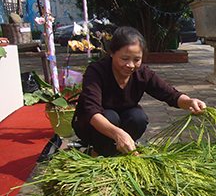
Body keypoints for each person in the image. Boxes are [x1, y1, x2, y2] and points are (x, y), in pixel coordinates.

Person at [72, 26, 206, 156]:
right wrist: (118, 134)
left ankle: (120, 150)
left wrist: (189, 102)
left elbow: (170, 94)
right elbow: (92, 112)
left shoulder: (142, 74)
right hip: (92, 126)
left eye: (137, 60)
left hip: (121, 123)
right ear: (112, 53)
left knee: (138, 117)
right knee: (110, 116)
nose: (130, 65)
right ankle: (97, 152)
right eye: (124, 59)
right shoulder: (96, 72)